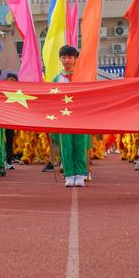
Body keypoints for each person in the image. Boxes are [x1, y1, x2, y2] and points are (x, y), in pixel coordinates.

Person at [52, 45, 89, 188]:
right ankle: (69, 174)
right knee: (66, 147)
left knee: (80, 146)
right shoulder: (57, 78)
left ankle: (80, 174)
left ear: (75, 59)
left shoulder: (83, 76)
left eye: (70, 57)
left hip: (80, 117)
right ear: (60, 59)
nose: (67, 60)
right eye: (64, 57)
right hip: (64, 118)